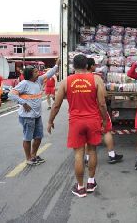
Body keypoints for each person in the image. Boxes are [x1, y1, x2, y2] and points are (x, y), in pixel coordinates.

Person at [47, 54, 108, 198]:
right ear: (87, 66)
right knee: (92, 151)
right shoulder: (96, 79)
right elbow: (102, 103)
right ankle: (91, 183)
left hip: (76, 122)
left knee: (78, 155)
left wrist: (50, 121)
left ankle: (80, 188)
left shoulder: (66, 82)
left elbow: (56, 105)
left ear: (73, 67)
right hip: (93, 120)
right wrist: (104, 120)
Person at [9, 58, 60, 166]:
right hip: (27, 117)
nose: (39, 73)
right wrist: (23, 102)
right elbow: (11, 94)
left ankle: (34, 155)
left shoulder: (39, 80)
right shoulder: (24, 84)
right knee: (27, 138)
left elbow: (49, 74)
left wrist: (56, 65)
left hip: (37, 116)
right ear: (30, 74)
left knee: (38, 137)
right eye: (36, 71)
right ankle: (28, 158)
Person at [85, 58, 123, 164]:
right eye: (94, 65)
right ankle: (112, 155)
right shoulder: (96, 78)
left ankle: (87, 158)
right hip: (97, 109)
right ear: (91, 66)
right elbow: (103, 97)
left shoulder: (77, 79)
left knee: (87, 134)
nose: (96, 66)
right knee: (106, 131)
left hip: (86, 110)